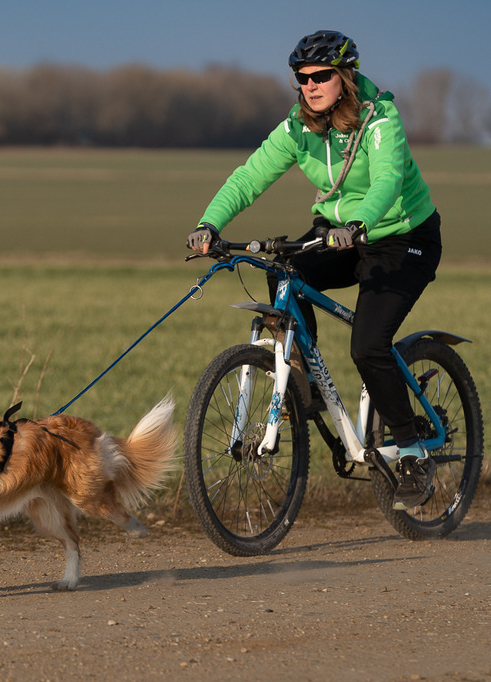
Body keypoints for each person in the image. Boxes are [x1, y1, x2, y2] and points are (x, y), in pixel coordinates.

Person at [185, 30, 442, 511]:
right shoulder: (297, 129)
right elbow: (249, 176)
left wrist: (363, 220)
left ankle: (410, 449)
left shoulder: (380, 118)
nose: (310, 85)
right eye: (302, 78)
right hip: (340, 233)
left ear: (344, 77)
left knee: (368, 346)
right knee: (285, 269)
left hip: (403, 237)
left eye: (321, 76)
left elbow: (387, 178)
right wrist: (209, 224)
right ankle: (301, 378)